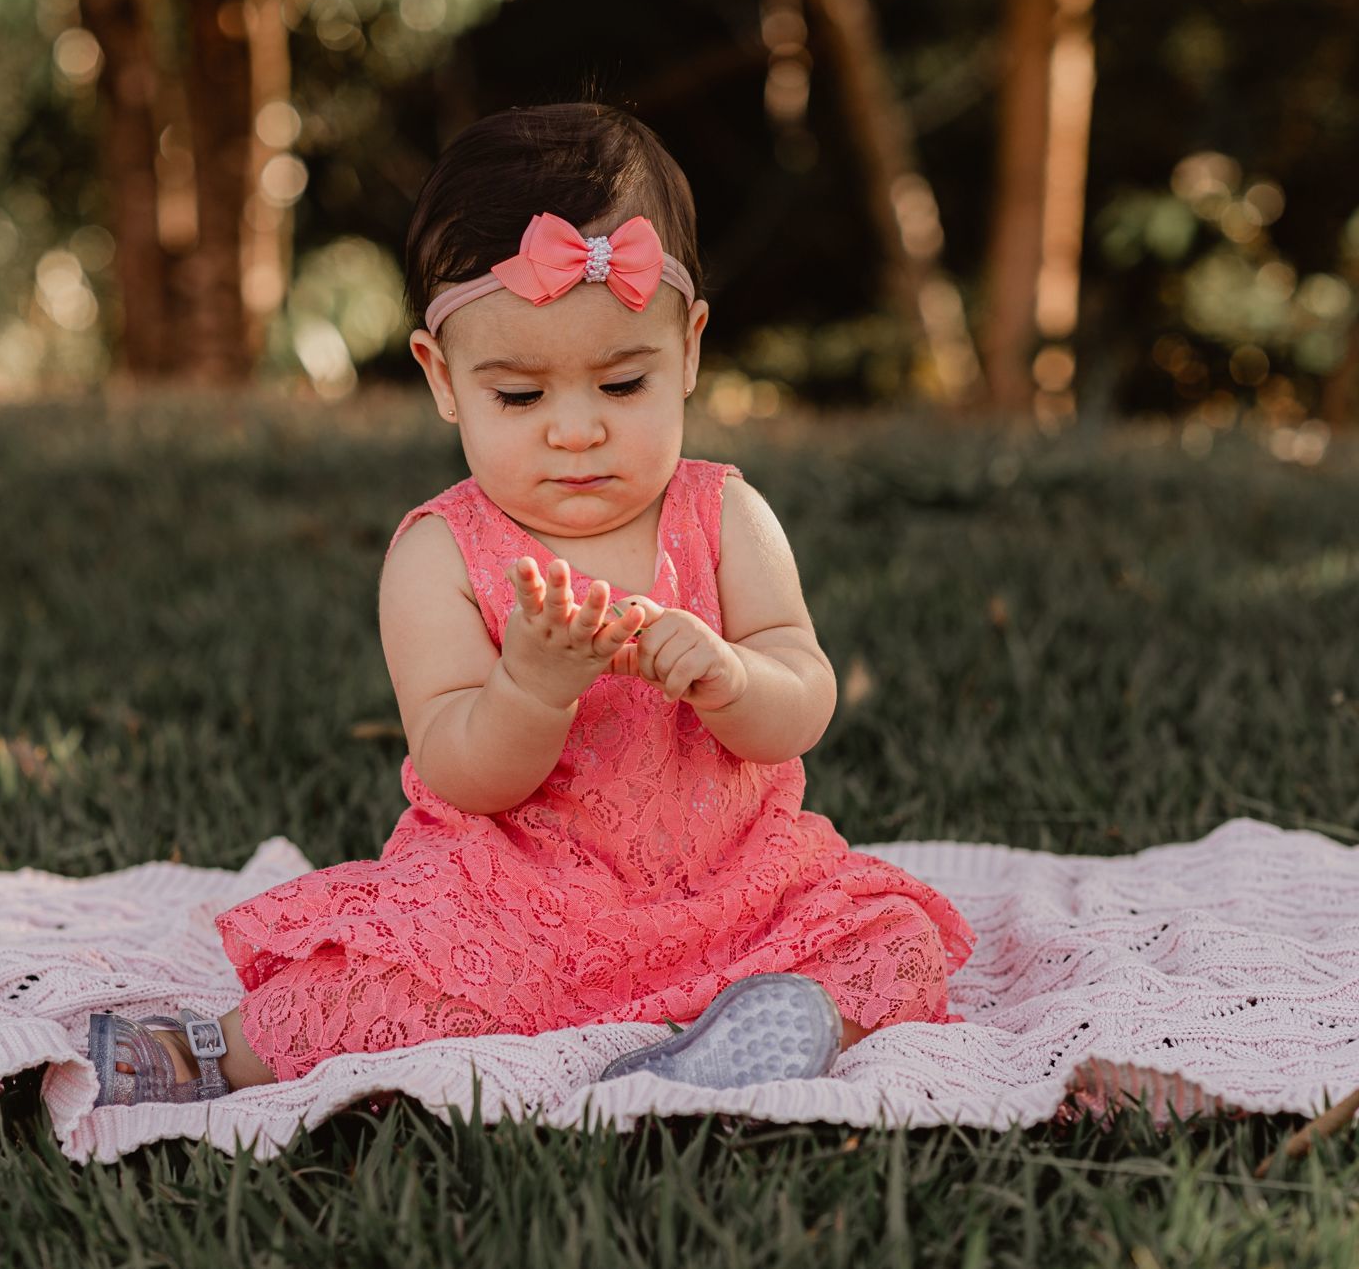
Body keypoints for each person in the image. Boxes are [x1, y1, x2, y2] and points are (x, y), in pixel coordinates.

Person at [87, 102, 976, 1106]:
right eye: (521, 396)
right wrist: (531, 686)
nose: (577, 431)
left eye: (623, 382)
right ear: (443, 378)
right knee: (381, 979)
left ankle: (746, 1029)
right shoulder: (442, 556)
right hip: (515, 905)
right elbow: (465, 773)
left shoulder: (724, 514)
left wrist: (733, 676)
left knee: (894, 943)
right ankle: (210, 1055)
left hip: (735, 889)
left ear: (686, 351)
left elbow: (803, 697)